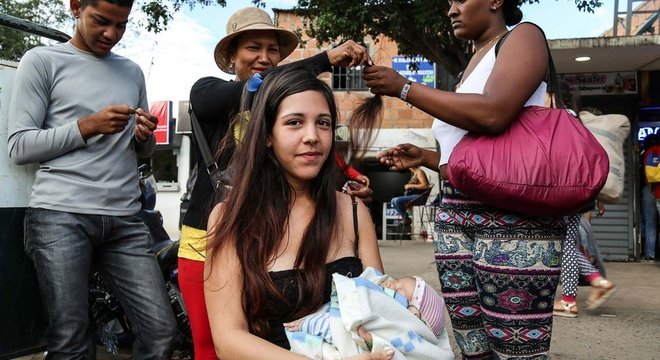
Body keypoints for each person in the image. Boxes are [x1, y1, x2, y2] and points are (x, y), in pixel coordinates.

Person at [365, 1, 566, 358]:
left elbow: (493, 112)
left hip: (510, 220)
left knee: (516, 348)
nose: (451, 10)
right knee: (472, 344)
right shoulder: (471, 64)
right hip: (455, 213)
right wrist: (426, 158)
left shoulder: (524, 37)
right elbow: (476, 154)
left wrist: (404, 88)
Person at [177, 7, 373, 358]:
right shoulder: (208, 92)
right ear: (231, 55)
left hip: (278, 223)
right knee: (209, 347)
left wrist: (347, 183)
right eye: (253, 48)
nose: (264, 58)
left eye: (272, 50)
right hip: (208, 239)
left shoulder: (289, 107)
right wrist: (325, 59)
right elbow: (260, 87)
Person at [6, 0, 177, 358]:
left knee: (161, 332)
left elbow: (141, 153)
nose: (111, 34)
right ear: (76, 6)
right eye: (101, 21)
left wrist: (143, 136)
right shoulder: (42, 61)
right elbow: (19, 146)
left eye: (121, 25)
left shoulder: (131, 72)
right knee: (71, 338)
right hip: (59, 216)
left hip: (125, 220)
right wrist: (88, 126)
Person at [204, 68, 394, 360]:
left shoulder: (353, 211)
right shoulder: (231, 218)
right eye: (294, 122)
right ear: (267, 134)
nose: (312, 136)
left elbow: (382, 310)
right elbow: (228, 340)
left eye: (323, 123)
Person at [282, 268, 451, 360]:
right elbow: (366, 286)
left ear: (414, 315)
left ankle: (313, 329)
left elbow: (389, 343)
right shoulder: (383, 292)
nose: (392, 285)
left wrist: (370, 339)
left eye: (400, 289)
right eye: (397, 281)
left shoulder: (404, 324)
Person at [553, 204, 617, 317]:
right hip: (579, 197)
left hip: (559, 196)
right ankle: (598, 281)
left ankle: (568, 303)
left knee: (563, 243)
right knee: (567, 242)